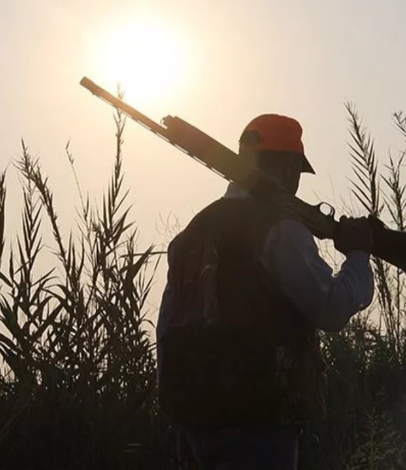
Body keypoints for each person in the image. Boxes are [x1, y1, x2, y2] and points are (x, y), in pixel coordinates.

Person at [155, 113, 375, 470]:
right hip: (258, 422)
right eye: (295, 171)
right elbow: (332, 310)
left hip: (194, 423)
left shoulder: (192, 232)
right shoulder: (281, 229)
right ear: (288, 168)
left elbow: (166, 329)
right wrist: (359, 255)